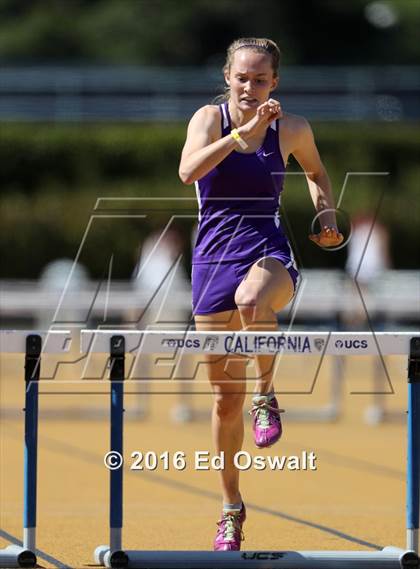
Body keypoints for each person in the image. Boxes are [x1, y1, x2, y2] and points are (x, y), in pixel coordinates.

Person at [178, 37, 343, 551]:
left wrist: (325, 215)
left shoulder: (291, 128)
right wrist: (240, 136)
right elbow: (187, 172)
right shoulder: (208, 119)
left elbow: (316, 173)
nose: (251, 87)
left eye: (261, 79)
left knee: (254, 301)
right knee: (226, 402)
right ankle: (231, 508)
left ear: (276, 82)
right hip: (211, 258)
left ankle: (267, 397)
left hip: (268, 249)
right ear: (227, 76)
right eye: (242, 78)